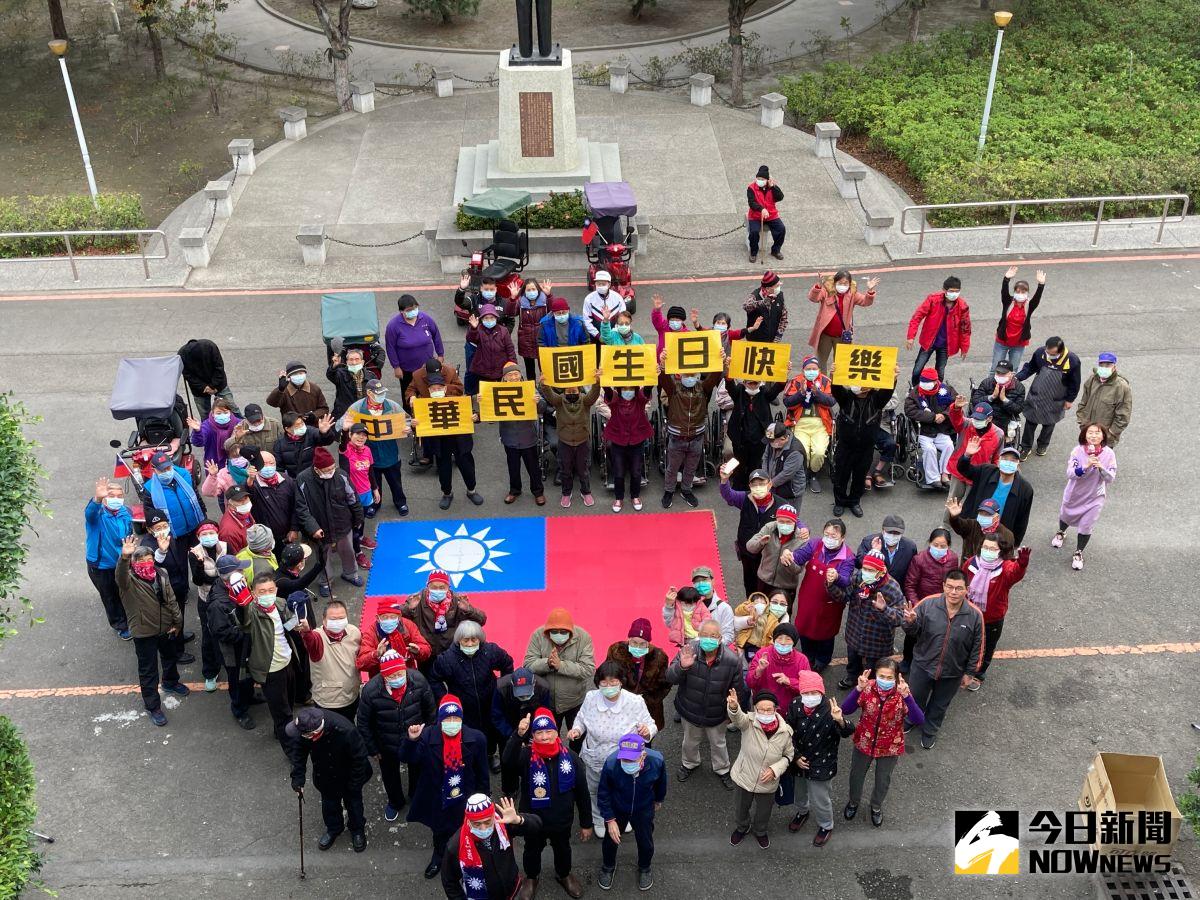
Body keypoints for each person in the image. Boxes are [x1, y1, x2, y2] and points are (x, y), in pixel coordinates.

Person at [504, 708, 590, 900]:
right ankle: (532, 878)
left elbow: (583, 793)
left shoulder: (571, 758)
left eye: (548, 731)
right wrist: (518, 735)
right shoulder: (526, 756)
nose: (544, 737)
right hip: (533, 820)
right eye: (539, 733)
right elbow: (507, 761)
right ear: (533, 735)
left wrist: (586, 823)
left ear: (556, 732)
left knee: (563, 848)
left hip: (561, 819)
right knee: (531, 850)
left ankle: (564, 874)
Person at [401, 695, 491, 879]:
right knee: (440, 832)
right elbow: (407, 758)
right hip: (437, 797)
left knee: (466, 830)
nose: (451, 723)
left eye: (455, 719)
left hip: (464, 797)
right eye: (447, 719)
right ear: (440, 720)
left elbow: (482, 774)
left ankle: (466, 858)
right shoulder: (426, 736)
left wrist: (484, 798)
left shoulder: (476, 739)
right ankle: (439, 856)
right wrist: (412, 740)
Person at [901, 570, 984, 749]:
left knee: (940, 704)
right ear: (943, 586)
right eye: (950, 587)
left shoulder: (975, 615)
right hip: (923, 665)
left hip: (952, 672)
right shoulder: (927, 604)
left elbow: (977, 647)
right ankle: (910, 719)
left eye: (958, 588)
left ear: (967, 590)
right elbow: (913, 632)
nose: (953, 592)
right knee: (914, 698)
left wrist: (970, 672)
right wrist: (910, 622)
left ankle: (930, 730)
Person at [572, 663, 660, 828]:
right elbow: (581, 718)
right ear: (598, 682)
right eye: (604, 683)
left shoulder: (634, 701)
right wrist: (577, 730)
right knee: (596, 789)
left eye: (613, 683)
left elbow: (651, 725)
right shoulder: (591, 697)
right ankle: (599, 818)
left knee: (622, 789)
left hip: (624, 759)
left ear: (621, 682)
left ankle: (622, 816)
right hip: (596, 756)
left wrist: (646, 731)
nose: (609, 687)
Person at [840, 659, 924, 826]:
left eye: (889, 677)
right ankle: (853, 802)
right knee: (856, 776)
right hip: (864, 741)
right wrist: (858, 689)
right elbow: (846, 709)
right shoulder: (867, 688)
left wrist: (908, 697)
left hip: (890, 746)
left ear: (896, 677)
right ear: (875, 675)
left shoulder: (902, 693)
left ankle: (876, 806)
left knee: (883, 780)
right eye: (881, 676)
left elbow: (918, 719)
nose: (885, 680)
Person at [357, 649, 436, 821]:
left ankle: (416, 797)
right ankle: (395, 802)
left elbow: (431, 711)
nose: (397, 678)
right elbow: (363, 722)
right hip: (385, 742)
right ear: (383, 675)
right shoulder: (370, 691)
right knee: (389, 774)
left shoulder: (419, 681)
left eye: (400, 673)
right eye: (391, 676)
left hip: (415, 739)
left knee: (417, 769)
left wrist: (428, 736)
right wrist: (372, 748)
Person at [116, 536, 187, 726]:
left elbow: (171, 600)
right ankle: (153, 706)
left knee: (170, 658)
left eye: (150, 560)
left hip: (166, 628)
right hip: (144, 633)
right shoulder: (128, 582)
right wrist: (124, 557)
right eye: (141, 561)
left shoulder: (161, 574)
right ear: (133, 564)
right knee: (148, 671)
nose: (147, 564)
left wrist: (177, 623)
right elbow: (120, 575)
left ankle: (171, 682)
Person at [667, 620, 742, 788]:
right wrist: (682, 667)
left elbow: (738, 690)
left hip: (717, 713)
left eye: (713, 636)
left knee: (718, 742)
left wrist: (734, 713)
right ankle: (689, 763)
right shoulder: (688, 651)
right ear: (698, 636)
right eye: (705, 635)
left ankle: (722, 768)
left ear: (721, 638)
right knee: (690, 741)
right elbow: (670, 677)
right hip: (689, 709)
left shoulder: (732, 660)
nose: (709, 639)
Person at [287, 707, 373, 853]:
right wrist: (298, 779)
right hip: (325, 774)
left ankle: (357, 830)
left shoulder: (346, 731)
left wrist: (354, 785)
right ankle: (334, 828)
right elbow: (299, 754)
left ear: (314, 734)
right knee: (329, 805)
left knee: (354, 804)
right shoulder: (304, 728)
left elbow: (360, 759)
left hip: (350, 775)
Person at [782, 671, 853, 846]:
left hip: (822, 764)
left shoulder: (831, 709)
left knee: (820, 798)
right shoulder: (795, 705)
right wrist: (796, 756)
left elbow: (847, 732)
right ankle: (802, 812)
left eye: (814, 693)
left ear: (821, 693)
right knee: (799, 793)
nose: (810, 696)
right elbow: (787, 732)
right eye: (806, 693)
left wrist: (840, 720)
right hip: (798, 762)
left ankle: (826, 825)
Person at [432, 621, 515, 768]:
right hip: (464, 708)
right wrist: (445, 699)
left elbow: (507, 664)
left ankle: (489, 755)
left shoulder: (490, 651)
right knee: (468, 736)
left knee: (491, 734)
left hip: (490, 703)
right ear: (459, 640)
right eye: (466, 640)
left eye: (474, 640)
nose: (470, 644)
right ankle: (471, 759)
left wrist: (501, 689)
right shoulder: (447, 659)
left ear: (480, 639)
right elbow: (434, 679)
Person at [595, 733, 667, 892]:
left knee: (645, 840)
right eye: (625, 759)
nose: (627, 763)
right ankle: (608, 866)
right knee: (610, 840)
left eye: (631, 760)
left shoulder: (657, 761)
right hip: (618, 807)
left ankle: (645, 867)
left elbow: (661, 783)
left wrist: (658, 800)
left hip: (643, 808)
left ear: (643, 754)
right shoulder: (612, 763)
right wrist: (609, 819)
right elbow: (603, 793)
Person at [243, 571, 306, 748]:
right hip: (270, 671)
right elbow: (244, 622)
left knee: (289, 703)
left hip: (288, 661)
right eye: (262, 591)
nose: (267, 594)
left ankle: (280, 733)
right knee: (283, 713)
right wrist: (242, 604)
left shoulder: (280, 603)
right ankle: (290, 747)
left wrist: (299, 623)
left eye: (270, 590)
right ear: (253, 593)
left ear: (276, 590)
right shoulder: (252, 612)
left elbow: (288, 623)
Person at [726, 688, 793, 849]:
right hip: (744, 777)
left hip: (768, 782)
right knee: (741, 807)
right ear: (755, 709)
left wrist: (775, 770)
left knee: (764, 811)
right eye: (760, 709)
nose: (764, 712)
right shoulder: (748, 722)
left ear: (776, 709)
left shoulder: (785, 731)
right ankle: (742, 827)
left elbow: (789, 756)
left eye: (768, 709)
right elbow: (737, 718)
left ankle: (760, 831)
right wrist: (734, 707)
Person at [785, 518, 855, 671]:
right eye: (827, 534)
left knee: (825, 635)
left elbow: (846, 581)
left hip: (830, 604)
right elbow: (799, 557)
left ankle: (823, 660)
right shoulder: (815, 544)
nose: (829, 539)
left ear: (842, 538)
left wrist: (837, 577)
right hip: (808, 598)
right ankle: (808, 657)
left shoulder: (848, 557)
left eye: (834, 536)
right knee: (804, 628)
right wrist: (789, 556)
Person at [829, 550, 905, 688]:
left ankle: (870, 688)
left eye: (870, 570)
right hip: (855, 633)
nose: (865, 572)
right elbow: (843, 596)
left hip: (877, 642)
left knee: (872, 669)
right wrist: (831, 584)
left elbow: (900, 618)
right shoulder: (858, 578)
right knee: (853, 661)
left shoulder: (892, 588)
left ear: (881, 571)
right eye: (864, 568)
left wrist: (884, 609)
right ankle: (852, 677)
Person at [442, 794, 540, 900]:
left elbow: (537, 825)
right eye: (477, 824)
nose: (483, 828)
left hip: (512, 889)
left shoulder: (503, 822)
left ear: (493, 816)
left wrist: (518, 819)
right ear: (468, 821)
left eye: (487, 822)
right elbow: (449, 882)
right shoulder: (455, 845)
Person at [658, 352, 723, 509]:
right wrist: (663, 364)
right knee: (672, 468)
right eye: (687, 374)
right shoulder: (674, 389)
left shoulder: (703, 388)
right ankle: (668, 491)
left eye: (693, 374)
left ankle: (686, 490)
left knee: (691, 468)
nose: (690, 377)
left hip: (696, 437)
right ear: (680, 375)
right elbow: (663, 378)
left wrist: (719, 359)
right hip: (677, 437)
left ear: (697, 375)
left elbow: (714, 377)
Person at [963, 540, 1030, 690]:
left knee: (987, 647)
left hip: (992, 618)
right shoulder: (971, 563)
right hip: (970, 613)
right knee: (966, 641)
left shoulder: (1005, 568)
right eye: (985, 547)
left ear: (1000, 551)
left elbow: (1015, 573)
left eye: (992, 548)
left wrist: (1022, 565)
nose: (988, 550)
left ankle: (979, 674)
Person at [294, 446, 364, 589]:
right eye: (327, 470)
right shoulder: (303, 480)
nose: (331, 472)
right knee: (323, 558)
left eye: (333, 468)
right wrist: (313, 528)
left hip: (343, 524)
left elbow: (353, 499)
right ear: (317, 469)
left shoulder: (341, 475)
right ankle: (325, 582)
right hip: (320, 528)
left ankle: (351, 574)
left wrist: (358, 519)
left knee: (348, 552)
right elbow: (302, 509)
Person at [829, 374, 896, 517]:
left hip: (866, 447)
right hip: (845, 446)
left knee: (859, 477)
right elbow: (835, 389)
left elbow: (888, 391)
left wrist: (893, 378)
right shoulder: (846, 398)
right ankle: (840, 502)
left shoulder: (876, 399)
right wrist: (834, 375)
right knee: (841, 475)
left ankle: (854, 501)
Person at [1054, 423, 1118, 571]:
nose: (1094, 436)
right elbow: (1070, 474)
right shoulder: (1077, 451)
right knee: (1066, 515)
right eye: (1090, 432)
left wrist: (1101, 468)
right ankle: (1061, 532)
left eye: (1097, 433)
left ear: (1103, 436)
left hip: (1095, 496)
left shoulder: (1109, 454)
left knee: (1087, 524)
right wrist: (1086, 466)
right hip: (1075, 494)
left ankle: (1079, 552)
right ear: (1084, 435)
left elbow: (1111, 478)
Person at [342, 380, 409, 517]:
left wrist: (408, 427)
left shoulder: (392, 405)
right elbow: (342, 423)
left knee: (395, 482)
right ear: (369, 393)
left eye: (383, 393)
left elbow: (406, 419)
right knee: (373, 481)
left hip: (391, 453)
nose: (381, 396)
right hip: (369, 454)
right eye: (378, 394)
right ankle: (374, 504)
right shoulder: (357, 408)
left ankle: (400, 502)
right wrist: (346, 427)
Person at [524, 608, 595, 736]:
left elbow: (588, 669)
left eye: (563, 632)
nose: (559, 635)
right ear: (547, 631)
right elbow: (528, 665)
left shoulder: (584, 638)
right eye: (554, 631)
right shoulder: (538, 636)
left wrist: (560, 666)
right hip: (546, 701)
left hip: (574, 701)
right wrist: (547, 663)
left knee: (577, 740)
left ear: (571, 631)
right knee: (547, 739)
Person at [206, 555, 257, 729]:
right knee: (237, 679)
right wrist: (245, 634)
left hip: (245, 645)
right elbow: (221, 632)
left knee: (249, 674)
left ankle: (250, 696)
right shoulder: (218, 604)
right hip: (233, 651)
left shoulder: (236, 588)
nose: (243, 573)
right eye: (240, 570)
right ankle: (239, 709)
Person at [140, 506, 196, 665]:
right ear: (150, 529)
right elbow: (150, 568)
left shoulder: (170, 537)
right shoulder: (147, 545)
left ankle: (179, 636)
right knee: (171, 621)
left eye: (165, 526)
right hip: (164, 592)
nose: (163, 530)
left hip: (177, 586)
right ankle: (176, 652)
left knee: (179, 615)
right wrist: (161, 552)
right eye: (158, 528)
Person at [900, 528, 959, 675]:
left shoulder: (953, 559)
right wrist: (918, 606)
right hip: (921, 605)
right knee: (913, 634)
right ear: (930, 543)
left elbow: (953, 582)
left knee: (935, 635)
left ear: (949, 546)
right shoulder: (919, 559)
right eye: (936, 544)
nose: (939, 549)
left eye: (943, 546)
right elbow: (910, 585)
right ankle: (907, 659)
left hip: (942, 606)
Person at [538, 372, 601, 508]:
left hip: (582, 441)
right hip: (564, 443)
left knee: (583, 470)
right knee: (565, 470)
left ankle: (586, 492)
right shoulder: (559, 401)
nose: (571, 393)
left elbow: (594, 395)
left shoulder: (585, 400)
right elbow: (549, 395)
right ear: (564, 392)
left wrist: (597, 382)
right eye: (568, 391)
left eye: (574, 390)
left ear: (579, 391)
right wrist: (544, 384)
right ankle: (566, 493)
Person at [955, 439, 1034, 545]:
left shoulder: (1025, 489)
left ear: (1018, 464)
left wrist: (1015, 543)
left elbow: (1022, 519)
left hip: (1000, 536)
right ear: (998, 461)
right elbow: (964, 470)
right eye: (1005, 459)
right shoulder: (986, 471)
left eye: (1013, 460)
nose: (1008, 463)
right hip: (976, 529)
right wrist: (967, 456)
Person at [402, 571, 487, 667]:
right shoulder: (417, 599)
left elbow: (482, 620)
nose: (437, 590)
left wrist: (468, 610)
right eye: (433, 587)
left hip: (452, 653)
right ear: (427, 586)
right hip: (426, 654)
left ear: (448, 587)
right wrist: (408, 609)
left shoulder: (457, 600)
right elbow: (396, 618)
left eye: (442, 587)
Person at [1015, 336, 1081, 458]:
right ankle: (1025, 447)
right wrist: (1017, 377)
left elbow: (1075, 383)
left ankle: (1042, 444)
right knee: (1030, 421)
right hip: (1037, 394)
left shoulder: (1072, 360)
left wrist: (1070, 399)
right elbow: (1030, 368)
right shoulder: (1040, 353)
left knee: (1049, 423)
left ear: (1060, 351)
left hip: (1056, 398)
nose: (1049, 355)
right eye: (1047, 352)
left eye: (1052, 354)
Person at [298, 600, 362, 722]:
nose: (338, 622)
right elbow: (310, 640)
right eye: (333, 619)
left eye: (341, 618)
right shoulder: (318, 637)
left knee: (349, 726)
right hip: (329, 702)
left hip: (352, 694)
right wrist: (306, 631)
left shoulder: (354, 632)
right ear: (324, 620)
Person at [720, 467, 781, 594]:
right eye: (755, 484)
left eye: (762, 484)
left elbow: (793, 520)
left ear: (769, 484)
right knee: (750, 584)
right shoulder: (744, 498)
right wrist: (724, 480)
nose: (758, 487)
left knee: (768, 586)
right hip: (747, 552)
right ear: (750, 486)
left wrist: (803, 529)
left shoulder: (780, 504)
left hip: (769, 554)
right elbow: (729, 496)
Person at [493, 668, 554, 796]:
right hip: (509, 727)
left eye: (526, 693)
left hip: (533, 727)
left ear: (533, 684)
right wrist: (514, 736)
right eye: (520, 694)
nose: (523, 697)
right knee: (508, 760)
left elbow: (544, 713)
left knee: (535, 757)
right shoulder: (500, 688)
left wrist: (535, 734)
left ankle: (535, 783)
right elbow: (497, 716)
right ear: (512, 685)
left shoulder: (543, 688)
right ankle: (510, 789)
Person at [86, 477, 133, 640]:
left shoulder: (126, 512)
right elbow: (90, 513)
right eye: (111, 495)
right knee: (110, 596)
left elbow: (128, 533)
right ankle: (120, 624)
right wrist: (97, 499)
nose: (116, 499)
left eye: (120, 496)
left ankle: (130, 618)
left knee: (126, 591)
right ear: (104, 498)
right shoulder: (98, 515)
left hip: (123, 561)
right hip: (102, 565)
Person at [604, 619, 671, 732]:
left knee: (644, 742)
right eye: (634, 642)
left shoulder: (660, 657)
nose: (638, 647)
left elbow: (664, 685)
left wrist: (645, 701)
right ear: (628, 639)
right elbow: (605, 675)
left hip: (646, 709)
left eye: (642, 644)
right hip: (619, 706)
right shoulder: (615, 651)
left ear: (648, 643)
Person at [782, 357, 837, 494]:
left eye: (814, 369)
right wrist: (801, 393)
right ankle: (804, 473)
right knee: (803, 451)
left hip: (820, 424)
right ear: (803, 370)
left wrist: (816, 393)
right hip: (800, 423)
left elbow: (831, 401)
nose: (811, 371)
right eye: (808, 369)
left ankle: (814, 474)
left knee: (818, 452)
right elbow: (787, 402)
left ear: (818, 369)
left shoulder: (825, 381)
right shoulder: (795, 381)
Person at [806, 270, 879, 373]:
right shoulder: (826, 291)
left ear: (849, 284)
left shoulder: (852, 294)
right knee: (821, 363)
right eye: (840, 283)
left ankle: (836, 387)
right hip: (825, 335)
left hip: (842, 336)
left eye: (845, 283)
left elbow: (865, 302)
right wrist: (818, 286)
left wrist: (870, 291)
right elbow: (813, 298)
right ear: (835, 282)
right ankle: (823, 385)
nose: (843, 286)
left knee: (840, 365)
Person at [905, 276, 972, 385]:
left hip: (946, 345)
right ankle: (914, 390)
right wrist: (911, 337)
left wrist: (965, 347)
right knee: (918, 369)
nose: (954, 294)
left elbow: (966, 329)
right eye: (951, 291)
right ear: (944, 290)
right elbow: (917, 317)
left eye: (957, 291)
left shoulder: (962, 306)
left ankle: (936, 392)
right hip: (929, 342)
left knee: (940, 372)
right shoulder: (933, 300)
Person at [496, 361, 545, 506]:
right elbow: (488, 413)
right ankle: (514, 490)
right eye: (509, 375)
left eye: (516, 374)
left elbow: (542, 408)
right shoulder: (496, 391)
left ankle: (538, 492)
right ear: (504, 378)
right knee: (513, 466)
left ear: (520, 375)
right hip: (509, 436)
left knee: (533, 466)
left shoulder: (529, 388)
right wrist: (482, 400)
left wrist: (538, 402)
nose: (513, 377)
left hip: (527, 435)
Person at [188, 520, 228, 692]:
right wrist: (199, 564)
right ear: (198, 536)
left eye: (211, 533)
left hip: (226, 599)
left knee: (229, 631)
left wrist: (214, 581)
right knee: (209, 635)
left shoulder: (226, 547)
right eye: (204, 534)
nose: (209, 537)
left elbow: (232, 570)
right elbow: (198, 580)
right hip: (206, 600)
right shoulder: (194, 553)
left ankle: (230, 665)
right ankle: (210, 672)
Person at [905, 368, 960, 490]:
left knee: (949, 446)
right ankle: (933, 478)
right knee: (930, 450)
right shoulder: (915, 393)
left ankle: (945, 474)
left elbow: (954, 404)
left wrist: (944, 415)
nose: (924, 384)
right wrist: (932, 417)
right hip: (924, 430)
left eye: (927, 381)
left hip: (941, 429)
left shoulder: (946, 390)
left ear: (936, 381)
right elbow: (910, 411)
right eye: (922, 381)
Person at [945, 399, 1003, 515]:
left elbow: (997, 457)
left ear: (989, 419)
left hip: (978, 474)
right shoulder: (966, 424)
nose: (975, 421)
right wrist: (956, 408)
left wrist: (995, 474)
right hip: (959, 469)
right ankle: (946, 526)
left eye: (979, 419)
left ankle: (964, 527)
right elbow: (956, 420)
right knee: (952, 501)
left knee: (971, 504)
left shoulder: (998, 434)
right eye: (975, 417)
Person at [602, 380, 652, 513]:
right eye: (624, 388)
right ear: (619, 389)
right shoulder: (615, 400)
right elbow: (607, 391)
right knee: (618, 471)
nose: (627, 391)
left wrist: (654, 376)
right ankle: (619, 498)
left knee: (636, 471)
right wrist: (602, 379)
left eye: (631, 388)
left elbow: (647, 390)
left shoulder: (640, 400)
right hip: (618, 441)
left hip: (637, 441)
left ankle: (635, 496)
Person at [726, 377, 785, 485]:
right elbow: (730, 386)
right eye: (750, 383)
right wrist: (728, 370)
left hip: (759, 439)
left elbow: (776, 389)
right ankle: (738, 491)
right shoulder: (739, 391)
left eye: (756, 383)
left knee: (756, 465)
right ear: (744, 383)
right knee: (739, 466)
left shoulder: (764, 392)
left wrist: (784, 373)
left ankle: (754, 489)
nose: (753, 386)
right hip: (740, 439)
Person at [386, 294, 444, 398]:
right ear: (401, 311)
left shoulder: (426, 319)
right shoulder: (393, 325)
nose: (414, 311)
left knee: (427, 392)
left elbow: (436, 336)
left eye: (415, 308)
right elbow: (390, 347)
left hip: (427, 367)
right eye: (409, 310)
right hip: (407, 369)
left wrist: (440, 354)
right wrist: (396, 367)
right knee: (409, 393)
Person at [746, 505, 809, 600]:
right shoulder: (769, 528)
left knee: (782, 612)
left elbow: (798, 570)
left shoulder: (801, 539)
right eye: (781, 521)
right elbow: (750, 547)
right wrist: (760, 543)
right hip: (764, 580)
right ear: (776, 520)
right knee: (761, 610)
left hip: (786, 586)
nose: (785, 525)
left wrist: (788, 563)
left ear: (795, 522)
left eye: (788, 522)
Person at [745, 623, 811, 712]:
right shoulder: (762, 654)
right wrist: (759, 670)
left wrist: (789, 682)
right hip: (764, 708)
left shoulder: (802, 660)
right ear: (774, 640)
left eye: (788, 639)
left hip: (790, 708)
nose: (783, 642)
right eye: (780, 638)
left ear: (794, 642)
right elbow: (750, 683)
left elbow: (809, 688)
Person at [359, 599, 433, 678]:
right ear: (378, 618)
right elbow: (361, 663)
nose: (389, 620)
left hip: (407, 673)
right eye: (384, 617)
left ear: (399, 617)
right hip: (381, 677)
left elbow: (427, 649)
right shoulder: (370, 633)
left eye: (393, 617)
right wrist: (376, 654)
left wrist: (418, 650)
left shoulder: (408, 626)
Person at [992, 267, 1046, 371]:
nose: (1020, 294)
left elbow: (1037, 298)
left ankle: (1010, 387)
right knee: (995, 369)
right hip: (1002, 341)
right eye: (1018, 291)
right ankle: (990, 387)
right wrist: (1006, 279)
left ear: (1027, 293)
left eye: (1023, 292)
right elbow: (1004, 292)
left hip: (1018, 344)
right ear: (1014, 292)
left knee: (1013, 370)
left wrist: (1041, 285)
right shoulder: (1008, 302)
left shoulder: (1029, 306)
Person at [340, 423, 378, 567]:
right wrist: (344, 430)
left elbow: (370, 471)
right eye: (357, 434)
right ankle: (357, 553)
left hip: (366, 493)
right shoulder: (346, 451)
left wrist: (375, 489)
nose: (361, 437)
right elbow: (342, 444)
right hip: (352, 496)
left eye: (364, 435)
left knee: (361, 520)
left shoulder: (367, 450)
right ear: (350, 435)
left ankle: (361, 539)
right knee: (355, 525)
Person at [1075, 352, 1133, 448]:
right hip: (1087, 433)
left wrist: (1110, 434)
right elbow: (1084, 402)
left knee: (1101, 462)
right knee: (1085, 460)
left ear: (1114, 367)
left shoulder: (1121, 387)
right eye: (1101, 365)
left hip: (1105, 438)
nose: (1104, 367)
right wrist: (1082, 422)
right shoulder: (1092, 380)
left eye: (1108, 365)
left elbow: (1123, 417)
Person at [178, 338, 237, 417]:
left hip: (218, 384)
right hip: (199, 389)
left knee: (232, 409)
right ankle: (208, 429)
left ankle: (241, 425)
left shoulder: (210, 347)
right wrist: (204, 387)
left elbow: (219, 368)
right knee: (205, 415)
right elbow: (188, 375)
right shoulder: (182, 354)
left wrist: (213, 386)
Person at [946, 496, 1015, 562]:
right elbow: (958, 526)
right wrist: (954, 517)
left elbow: (1008, 560)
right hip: (969, 568)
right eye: (981, 513)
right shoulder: (972, 525)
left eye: (988, 514)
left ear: (996, 517)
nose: (983, 516)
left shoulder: (1006, 534)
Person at [466, 304, 517, 394]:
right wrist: (473, 328)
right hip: (482, 370)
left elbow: (510, 349)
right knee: (485, 394)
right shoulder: (478, 330)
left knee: (500, 393)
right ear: (481, 319)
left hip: (500, 368)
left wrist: (513, 366)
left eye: (491, 318)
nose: (489, 320)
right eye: (486, 318)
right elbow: (471, 339)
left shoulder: (503, 330)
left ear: (496, 318)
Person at [970, 361, 1025, 444]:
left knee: (996, 440)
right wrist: (992, 397)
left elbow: (1018, 409)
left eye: (1003, 374)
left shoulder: (1019, 388)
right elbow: (975, 401)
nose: (999, 376)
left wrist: (1004, 400)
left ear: (1011, 374)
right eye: (998, 373)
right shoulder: (987, 382)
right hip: (984, 416)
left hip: (1004, 419)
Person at [272, 411, 338, 478]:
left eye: (302, 423)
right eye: (297, 425)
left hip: (314, 477)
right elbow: (278, 467)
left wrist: (324, 433)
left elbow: (326, 441)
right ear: (287, 429)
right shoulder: (280, 443)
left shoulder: (310, 432)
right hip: (294, 479)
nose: (301, 426)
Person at [855, 514, 917, 584]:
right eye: (890, 532)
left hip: (896, 589)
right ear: (883, 530)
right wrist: (874, 552)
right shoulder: (868, 542)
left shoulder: (910, 548)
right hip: (872, 585)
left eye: (897, 533)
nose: (893, 535)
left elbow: (912, 572)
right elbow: (858, 564)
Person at [733, 591, 789, 668]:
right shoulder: (752, 611)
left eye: (782, 604)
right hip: (747, 646)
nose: (778, 606)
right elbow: (736, 621)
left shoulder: (780, 622)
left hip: (763, 651)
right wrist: (747, 616)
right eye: (775, 602)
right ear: (769, 602)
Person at [746, 165, 785, 262]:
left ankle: (775, 250)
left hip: (771, 215)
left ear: (767, 179)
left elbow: (780, 197)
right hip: (756, 216)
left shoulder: (772, 187)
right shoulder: (751, 188)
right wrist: (762, 209)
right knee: (754, 232)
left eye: (762, 179)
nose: (760, 180)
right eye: (758, 178)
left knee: (781, 229)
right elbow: (752, 203)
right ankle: (753, 252)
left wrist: (773, 187)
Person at [760, 421, 807, 501]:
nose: (769, 443)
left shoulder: (795, 452)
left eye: (772, 441)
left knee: (787, 513)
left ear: (782, 439)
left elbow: (787, 474)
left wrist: (768, 485)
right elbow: (765, 458)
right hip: (775, 488)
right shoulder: (772, 442)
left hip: (791, 493)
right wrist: (765, 476)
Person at [690, 565, 736, 648]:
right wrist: (669, 606)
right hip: (693, 652)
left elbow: (729, 636)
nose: (700, 584)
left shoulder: (724, 608)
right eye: (697, 581)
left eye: (704, 580)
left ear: (713, 581)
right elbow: (675, 625)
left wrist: (711, 645)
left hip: (717, 652)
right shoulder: (689, 605)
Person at [187, 399, 241, 470]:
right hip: (213, 464)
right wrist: (197, 431)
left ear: (230, 412)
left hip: (235, 462)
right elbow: (198, 443)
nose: (222, 415)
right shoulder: (207, 425)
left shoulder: (238, 423)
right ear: (212, 413)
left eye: (225, 412)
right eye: (218, 413)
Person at [515, 277, 552, 377]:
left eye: (533, 289)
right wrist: (512, 298)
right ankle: (532, 388)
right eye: (528, 290)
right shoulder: (520, 302)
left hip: (543, 340)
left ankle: (546, 389)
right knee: (529, 369)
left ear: (538, 290)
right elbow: (510, 312)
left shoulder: (545, 301)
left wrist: (549, 295)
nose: (531, 292)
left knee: (545, 368)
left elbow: (553, 310)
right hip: (526, 341)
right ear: (524, 291)